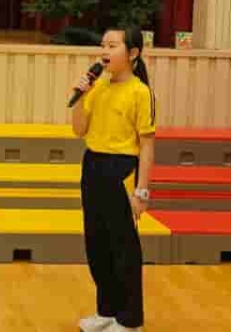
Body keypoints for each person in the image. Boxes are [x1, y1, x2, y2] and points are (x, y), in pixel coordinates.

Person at [71, 27, 156, 332]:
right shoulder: (98, 87)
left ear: (132, 53)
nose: (104, 51)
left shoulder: (140, 92)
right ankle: (106, 309)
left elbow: (147, 144)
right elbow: (79, 130)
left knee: (123, 247)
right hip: (92, 165)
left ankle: (130, 319)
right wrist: (80, 97)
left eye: (112, 45)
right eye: (103, 45)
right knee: (96, 243)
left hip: (120, 170)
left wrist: (141, 191)